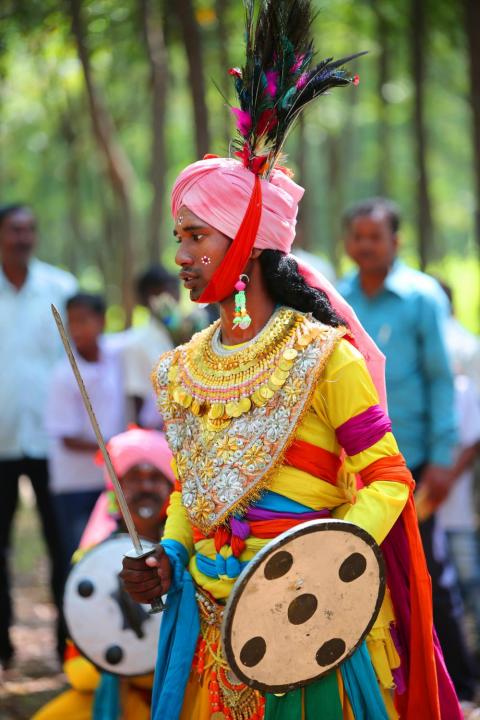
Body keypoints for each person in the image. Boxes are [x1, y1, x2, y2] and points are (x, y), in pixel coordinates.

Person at [120, 4, 462, 718]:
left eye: (196, 237)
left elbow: (387, 480)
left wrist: (308, 572)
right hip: (213, 645)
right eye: (176, 237)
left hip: (309, 641)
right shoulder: (180, 370)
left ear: (246, 246)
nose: (180, 256)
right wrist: (169, 556)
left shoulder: (321, 356)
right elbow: (194, 492)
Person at [338, 197, 478, 704]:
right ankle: (389, 689)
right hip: (357, 467)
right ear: (347, 242)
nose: (366, 245)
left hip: (414, 462)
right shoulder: (338, 297)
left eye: (376, 236)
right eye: (358, 236)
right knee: (364, 576)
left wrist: (442, 459)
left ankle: (455, 686)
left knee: (424, 576)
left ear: (395, 242)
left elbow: (443, 381)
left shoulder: (421, 298)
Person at [32, 427, 175, 720]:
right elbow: (81, 668)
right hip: (108, 689)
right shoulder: (92, 557)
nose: (145, 487)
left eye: (155, 478)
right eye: (134, 479)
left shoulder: (186, 550)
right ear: (116, 488)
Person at [0, 203, 77, 669]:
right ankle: (3, 648)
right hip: (2, 441)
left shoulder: (60, 290)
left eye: (29, 229)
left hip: (54, 446)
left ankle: (68, 645)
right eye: (14, 229)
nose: (23, 237)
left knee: (63, 545)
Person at [45, 292, 126, 577]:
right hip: (75, 483)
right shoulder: (62, 373)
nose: (76, 330)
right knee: (81, 556)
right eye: (72, 322)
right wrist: (114, 447)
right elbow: (66, 437)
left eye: (83, 320)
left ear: (102, 321)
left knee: (113, 555)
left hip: (112, 480)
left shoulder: (116, 356)